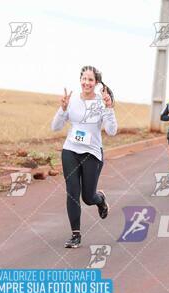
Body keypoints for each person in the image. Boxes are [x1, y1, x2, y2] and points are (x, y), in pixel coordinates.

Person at [51, 65, 116, 249]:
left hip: (92, 153)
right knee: (72, 192)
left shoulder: (101, 102)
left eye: (90, 80)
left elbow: (112, 131)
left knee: (88, 197)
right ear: (80, 80)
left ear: (96, 83)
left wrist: (109, 107)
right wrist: (62, 109)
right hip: (70, 150)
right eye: (84, 79)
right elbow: (55, 127)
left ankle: (100, 199)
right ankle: (75, 235)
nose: (86, 82)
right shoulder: (71, 101)